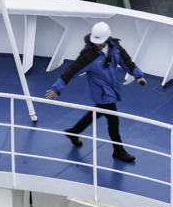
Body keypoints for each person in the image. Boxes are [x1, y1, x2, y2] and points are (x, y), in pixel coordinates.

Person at [44, 22, 144, 163]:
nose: (98, 45)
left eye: (101, 42)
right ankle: (118, 151)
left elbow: (127, 62)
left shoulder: (115, 47)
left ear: (108, 38)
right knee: (113, 121)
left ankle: (74, 131)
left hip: (111, 89)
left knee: (97, 112)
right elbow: (71, 70)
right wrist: (57, 88)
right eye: (96, 42)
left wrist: (138, 76)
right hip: (102, 93)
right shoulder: (88, 56)